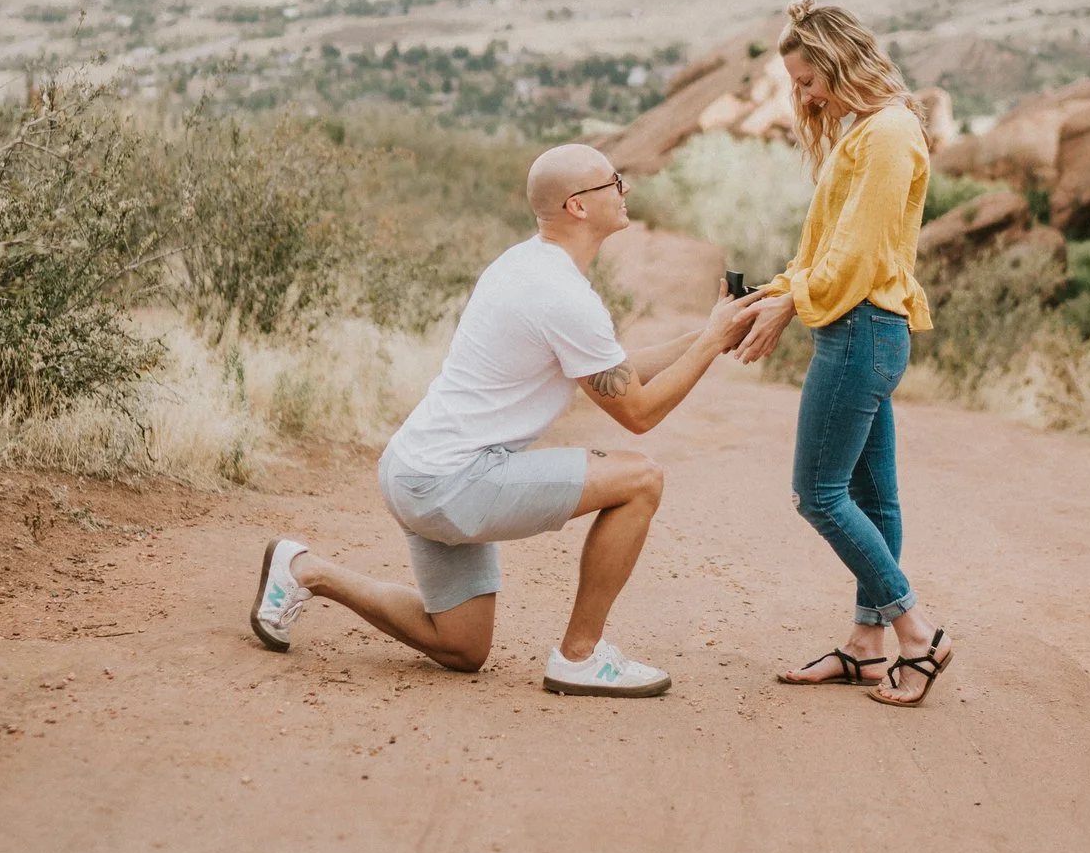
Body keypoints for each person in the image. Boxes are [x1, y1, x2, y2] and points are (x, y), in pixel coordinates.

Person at [249, 143, 760, 697]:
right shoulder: (563, 294)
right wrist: (709, 344)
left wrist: (712, 331)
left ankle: (305, 569)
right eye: (614, 180)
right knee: (641, 479)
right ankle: (579, 657)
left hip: (415, 469)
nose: (625, 188)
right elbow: (638, 412)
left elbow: (615, 371)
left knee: (462, 646)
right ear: (578, 206)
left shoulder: (526, 264)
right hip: (452, 482)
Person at [736, 0, 954, 708]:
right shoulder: (870, 128)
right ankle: (866, 647)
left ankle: (917, 634)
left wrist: (788, 304)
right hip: (858, 327)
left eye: (807, 80)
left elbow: (857, 256)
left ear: (837, 63)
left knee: (819, 494)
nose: (804, 96)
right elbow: (829, 247)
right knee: (870, 497)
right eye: (797, 84)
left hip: (861, 328)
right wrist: (773, 292)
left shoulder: (889, 133)